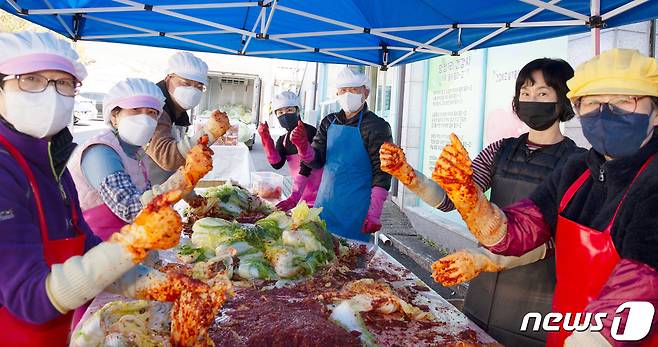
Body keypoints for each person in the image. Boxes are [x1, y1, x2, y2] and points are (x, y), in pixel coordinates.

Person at [0, 31, 215, 346]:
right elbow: (30, 297)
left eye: (63, 84)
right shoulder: (8, 169)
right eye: (31, 79)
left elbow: (89, 249)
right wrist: (137, 241)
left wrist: (171, 286)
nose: (51, 94)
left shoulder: (52, 167)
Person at [431, 49, 658, 346]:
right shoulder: (577, 170)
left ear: (655, 112)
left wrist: (591, 340)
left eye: (623, 101)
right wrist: (471, 201)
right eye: (591, 102)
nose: (604, 113)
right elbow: (520, 227)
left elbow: (641, 286)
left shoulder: (651, 181)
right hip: (562, 327)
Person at [381, 58, 586, 346]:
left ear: (562, 100)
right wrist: (411, 177)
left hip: (534, 300)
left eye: (542, 94)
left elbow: (558, 240)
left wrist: (487, 260)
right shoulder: (499, 151)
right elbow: (454, 199)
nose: (531, 100)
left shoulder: (576, 163)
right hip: (482, 291)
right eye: (525, 93)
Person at [291, 67, 392, 242]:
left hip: (357, 209)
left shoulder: (377, 126)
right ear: (337, 93)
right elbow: (317, 160)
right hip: (326, 204)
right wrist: (303, 147)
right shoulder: (329, 121)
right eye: (343, 90)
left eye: (353, 90)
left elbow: (382, 171)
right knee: (322, 256)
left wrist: (374, 212)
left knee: (351, 263)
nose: (348, 94)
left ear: (365, 92)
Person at [68, 78, 165, 240]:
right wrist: (177, 186)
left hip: (128, 247)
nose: (145, 119)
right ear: (114, 116)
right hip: (95, 250)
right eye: (135, 110)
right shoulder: (101, 152)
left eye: (152, 113)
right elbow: (130, 208)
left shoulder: (138, 154)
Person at [145, 51, 229, 185]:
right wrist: (209, 133)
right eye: (185, 83)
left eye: (199, 87)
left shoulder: (178, 109)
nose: (193, 90)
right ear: (168, 79)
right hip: (141, 194)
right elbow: (167, 157)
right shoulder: (154, 108)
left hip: (161, 191)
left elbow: (179, 155)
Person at [258, 91, 323, 210]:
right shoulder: (283, 139)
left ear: (298, 111)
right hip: (301, 196)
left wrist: (294, 197)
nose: (285, 115)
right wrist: (266, 139)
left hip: (319, 194)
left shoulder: (310, 131)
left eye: (289, 110)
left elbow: (306, 167)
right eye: (280, 112)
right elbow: (277, 163)